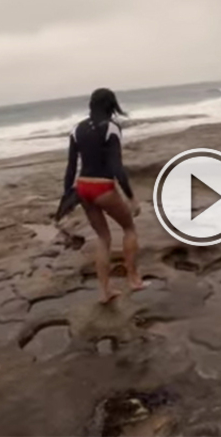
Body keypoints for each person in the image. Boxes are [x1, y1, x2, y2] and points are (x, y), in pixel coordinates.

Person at [63, 88, 145, 303]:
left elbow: (70, 168)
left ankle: (104, 291)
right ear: (112, 105)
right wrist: (131, 197)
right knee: (129, 228)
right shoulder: (111, 127)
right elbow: (117, 167)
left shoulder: (77, 129)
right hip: (103, 188)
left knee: (103, 238)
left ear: (91, 105)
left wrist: (67, 196)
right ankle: (133, 279)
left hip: (83, 187)